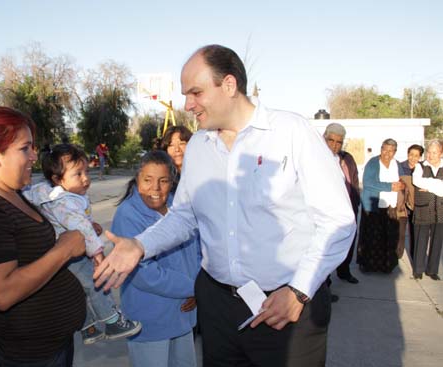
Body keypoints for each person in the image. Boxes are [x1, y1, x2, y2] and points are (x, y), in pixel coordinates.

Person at [94, 44, 356, 366]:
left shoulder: (291, 133)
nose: (187, 105)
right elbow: (184, 216)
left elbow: (338, 221)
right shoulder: (200, 147)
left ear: (229, 85)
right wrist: (140, 245)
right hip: (218, 307)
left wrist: (299, 291)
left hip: (286, 308)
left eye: (196, 92)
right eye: (185, 94)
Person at [0, 106, 87, 367]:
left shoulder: (12, 193)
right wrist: (64, 250)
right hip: (28, 356)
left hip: (52, 345)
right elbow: (2, 293)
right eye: (25, 148)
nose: (34, 156)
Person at [22, 143, 141, 345]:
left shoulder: (57, 194)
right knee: (96, 283)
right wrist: (98, 254)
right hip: (73, 254)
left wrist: (91, 225)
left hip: (65, 252)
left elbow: (79, 222)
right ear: (58, 179)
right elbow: (80, 228)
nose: (86, 178)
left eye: (86, 171)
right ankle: (112, 322)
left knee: (77, 290)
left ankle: (88, 328)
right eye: (78, 174)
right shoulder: (65, 201)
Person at [111, 150, 201, 367]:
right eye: (148, 180)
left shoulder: (181, 209)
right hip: (150, 317)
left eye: (163, 181)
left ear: (172, 181)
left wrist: (199, 286)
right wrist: (193, 288)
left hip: (184, 314)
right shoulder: (127, 214)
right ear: (137, 180)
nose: (155, 188)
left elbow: (199, 250)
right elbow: (143, 273)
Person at [357, 139, 405, 274]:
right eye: (385, 149)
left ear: (395, 152)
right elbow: (368, 182)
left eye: (391, 151)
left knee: (389, 237)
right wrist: (390, 186)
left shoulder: (397, 164)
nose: (387, 153)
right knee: (371, 237)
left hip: (391, 207)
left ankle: (386, 266)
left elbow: (403, 180)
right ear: (381, 149)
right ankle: (366, 265)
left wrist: (402, 185)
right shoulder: (373, 163)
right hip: (374, 206)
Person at [323, 123, 360, 284]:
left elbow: (355, 181)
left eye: (339, 142)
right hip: (326, 211)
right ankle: (325, 283)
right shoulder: (317, 158)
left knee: (348, 242)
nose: (335, 145)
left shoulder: (347, 158)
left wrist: (356, 203)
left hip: (347, 208)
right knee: (326, 247)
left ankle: (344, 271)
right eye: (331, 140)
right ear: (324, 139)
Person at [411, 140, 443, 280]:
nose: (431, 155)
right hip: (423, 209)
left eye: (434, 152)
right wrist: (439, 186)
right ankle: (418, 269)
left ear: (441, 153)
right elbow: (417, 181)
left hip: (441, 211)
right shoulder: (420, 166)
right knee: (420, 240)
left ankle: (432, 270)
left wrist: (429, 185)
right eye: (429, 152)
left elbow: (425, 183)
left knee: (437, 241)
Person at [399, 144, 424, 260]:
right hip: (402, 205)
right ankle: (397, 255)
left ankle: (415, 257)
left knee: (415, 233)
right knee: (400, 232)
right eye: (411, 155)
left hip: (416, 205)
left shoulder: (423, 169)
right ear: (407, 154)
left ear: (420, 157)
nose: (413, 158)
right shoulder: (400, 167)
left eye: (416, 156)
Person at [160, 125, 193, 192]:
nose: (177, 149)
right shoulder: (162, 176)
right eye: (171, 145)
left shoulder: (202, 172)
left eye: (182, 143)